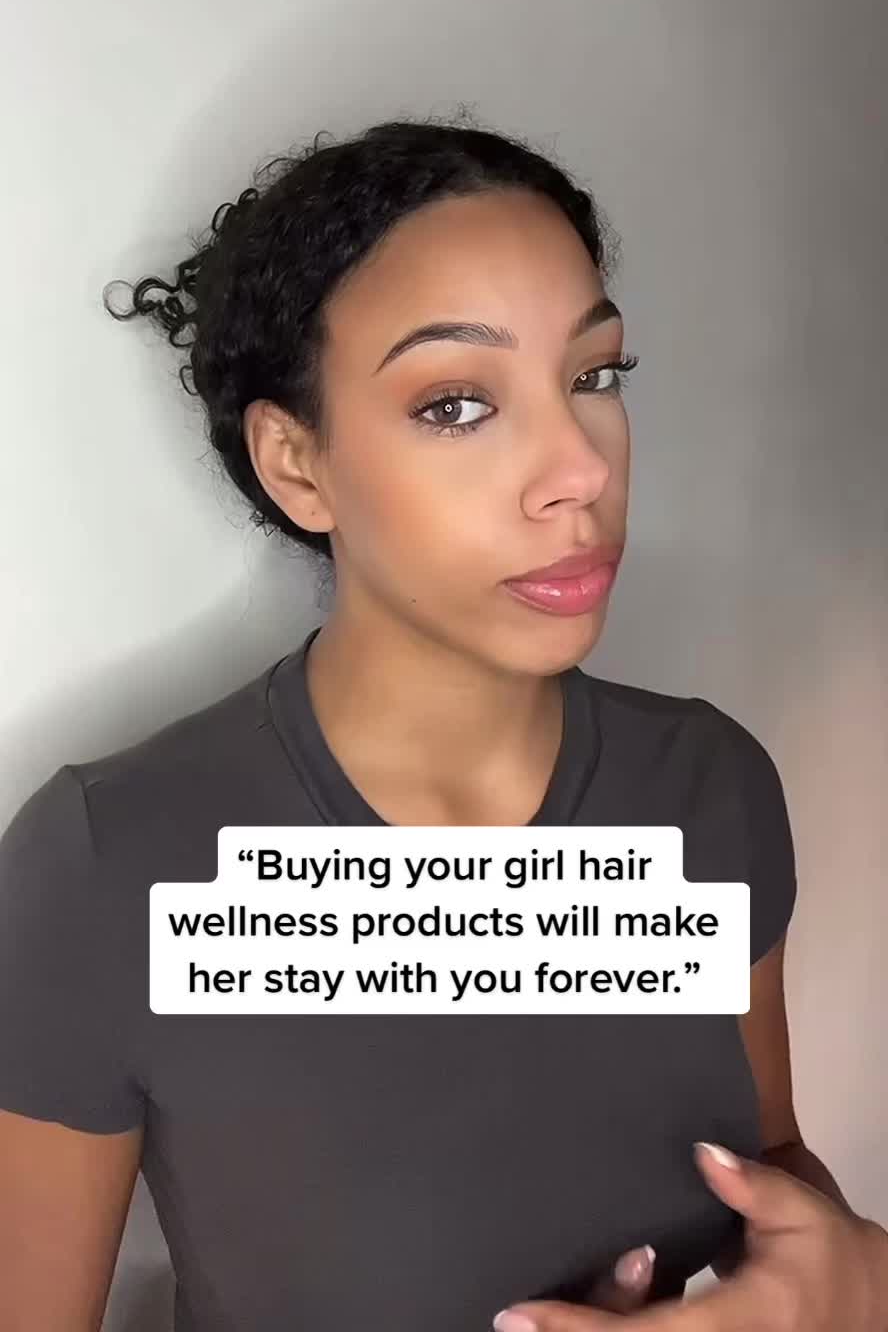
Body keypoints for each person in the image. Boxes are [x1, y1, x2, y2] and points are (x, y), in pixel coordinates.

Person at [0, 118, 884, 1332]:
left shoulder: (708, 786)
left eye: (595, 376)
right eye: (458, 404)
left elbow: (772, 1170)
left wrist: (851, 1280)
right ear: (297, 464)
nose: (580, 468)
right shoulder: (110, 862)